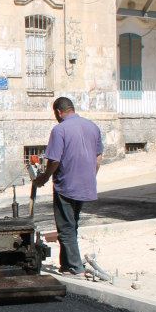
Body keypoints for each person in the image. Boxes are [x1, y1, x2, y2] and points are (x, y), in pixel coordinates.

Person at [33, 96, 103, 275]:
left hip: (66, 185)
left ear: (58, 112)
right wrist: (90, 176)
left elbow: (54, 160)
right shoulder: (92, 127)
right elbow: (98, 158)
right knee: (73, 224)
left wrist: (44, 177)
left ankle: (76, 267)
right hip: (86, 184)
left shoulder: (59, 130)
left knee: (65, 228)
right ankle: (66, 265)